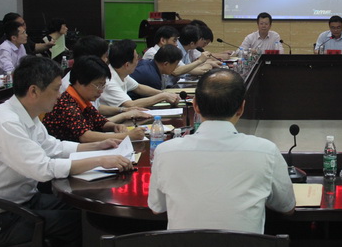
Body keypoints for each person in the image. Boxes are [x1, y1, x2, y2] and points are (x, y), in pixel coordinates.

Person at [0, 56, 133, 247]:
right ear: (34, 91)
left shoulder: (27, 114)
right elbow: (43, 169)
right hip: (3, 215)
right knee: (78, 225)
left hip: (26, 199)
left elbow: (54, 146)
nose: (60, 95)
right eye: (55, 89)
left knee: (85, 211)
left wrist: (98, 146)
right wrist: (99, 160)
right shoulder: (6, 122)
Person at [148, 69, 296, 233]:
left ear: (195, 106)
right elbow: (286, 207)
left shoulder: (165, 152)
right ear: (241, 108)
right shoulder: (266, 151)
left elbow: (157, 208)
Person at [43, 56, 146, 142]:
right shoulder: (66, 104)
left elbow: (100, 121)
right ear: (80, 81)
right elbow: (85, 136)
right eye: (98, 85)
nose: (101, 91)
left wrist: (114, 126)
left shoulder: (83, 99)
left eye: (103, 85)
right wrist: (127, 136)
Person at [62, 35, 150, 124]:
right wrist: (124, 115)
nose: (107, 61)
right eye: (104, 57)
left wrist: (122, 110)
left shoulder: (88, 77)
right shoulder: (72, 86)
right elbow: (89, 126)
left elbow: (96, 107)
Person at [99, 39, 180, 108]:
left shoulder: (120, 72)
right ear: (127, 65)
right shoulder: (109, 81)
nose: (138, 62)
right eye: (137, 59)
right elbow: (131, 105)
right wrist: (162, 96)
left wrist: (165, 94)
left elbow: (138, 87)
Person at [142, 26, 210, 84]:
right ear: (163, 41)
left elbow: (184, 67)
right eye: (174, 41)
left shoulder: (169, 53)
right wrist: (199, 61)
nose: (176, 44)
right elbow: (176, 71)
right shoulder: (152, 53)